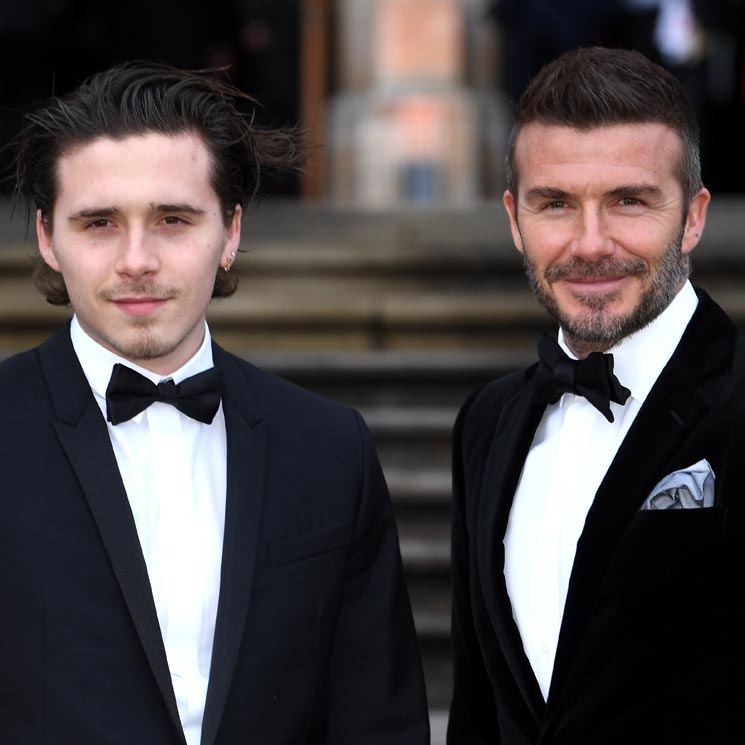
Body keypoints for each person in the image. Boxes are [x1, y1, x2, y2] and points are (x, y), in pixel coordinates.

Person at [3, 62, 429, 745]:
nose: (137, 260)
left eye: (173, 219)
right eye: (99, 222)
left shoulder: (328, 448)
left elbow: (379, 720)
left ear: (230, 232)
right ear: (49, 237)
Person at [448, 46, 745, 745]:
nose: (589, 244)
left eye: (628, 201)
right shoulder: (486, 422)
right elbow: (478, 707)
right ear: (515, 219)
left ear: (693, 216)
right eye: (555, 203)